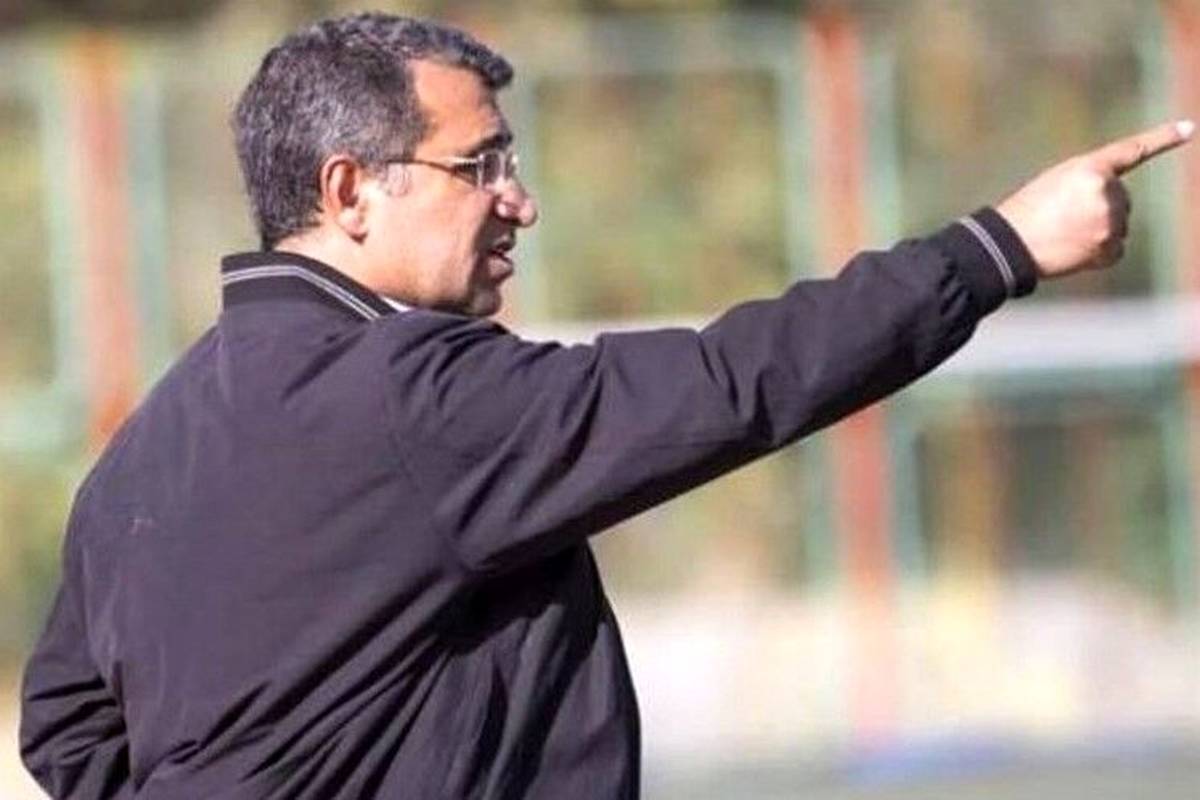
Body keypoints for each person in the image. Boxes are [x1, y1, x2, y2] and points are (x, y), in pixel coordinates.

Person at [19, 12, 1192, 800]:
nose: (518, 200)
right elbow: (736, 381)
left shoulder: (140, 453)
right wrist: (998, 248)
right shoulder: (414, 397)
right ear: (349, 191)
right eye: (480, 166)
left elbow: (66, 721)